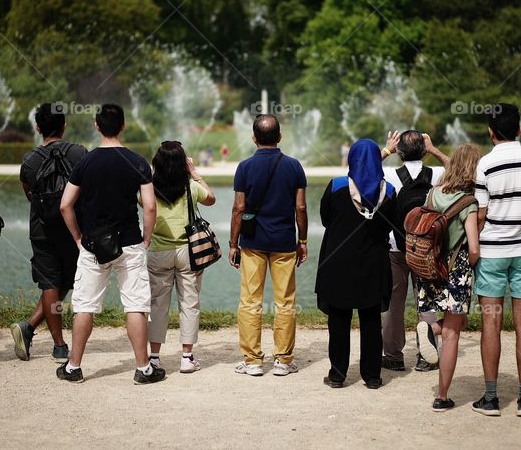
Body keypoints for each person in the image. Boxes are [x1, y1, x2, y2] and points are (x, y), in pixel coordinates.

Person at [57, 104, 164, 384]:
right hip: (129, 243)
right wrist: (147, 238)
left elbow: (65, 205)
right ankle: (143, 369)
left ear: (96, 125)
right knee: (135, 306)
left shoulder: (85, 162)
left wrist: (78, 238)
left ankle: (73, 367)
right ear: (123, 125)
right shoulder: (138, 161)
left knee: (85, 306)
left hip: (93, 245)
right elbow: (150, 207)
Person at [472, 103, 521, 417]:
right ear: (519, 129)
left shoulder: (485, 164)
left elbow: (480, 214)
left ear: (491, 132)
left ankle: (491, 398)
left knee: (491, 323)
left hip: (491, 252)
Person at [229, 114, 308, 377]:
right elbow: (301, 207)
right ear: (280, 137)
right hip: (285, 242)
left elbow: (239, 208)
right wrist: (303, 240)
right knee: (285, 302)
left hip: (252, 243)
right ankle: (283, 361)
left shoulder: (244, 167)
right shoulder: (294, 166)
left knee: (250, 301)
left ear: (253, 138)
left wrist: (233, 243)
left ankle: (252, 361)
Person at [316, 139, 397, 389]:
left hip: (338, 262)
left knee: (339, 319)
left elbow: (325, 218)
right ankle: (372, 375)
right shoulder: (390, 191)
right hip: (373, 264)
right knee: (371, 320)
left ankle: (338, 374)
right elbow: (392, 224)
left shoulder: (337, 186)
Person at [11, 103, 87, 362]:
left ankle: (42, 335)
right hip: (73, 228)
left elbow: (29, 194)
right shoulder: (79, 153)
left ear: (38, 127)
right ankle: (52, 341)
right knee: (65, 282)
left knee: (51, 283)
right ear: (64, 125)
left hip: (42, 229)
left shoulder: (29, 160)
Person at [418, 144, 481, 411]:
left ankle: (432, 327)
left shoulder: (432, 194)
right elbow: (474, 248)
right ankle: (442, 397)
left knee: (456, 325)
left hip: (430, 270)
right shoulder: (468, 203)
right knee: (453, 334)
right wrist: (469, 267)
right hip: (456, 272)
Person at [381, 130, 450, 372]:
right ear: (423, 150)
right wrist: (434, 150)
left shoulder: (390, 174)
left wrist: (387, 150)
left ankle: (393, 355)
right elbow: (461, 173)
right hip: (427, 247)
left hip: (396, 246)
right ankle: (426, 356)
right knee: (428, 301)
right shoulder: (437, 174)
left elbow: (361, 172)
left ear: (399, 152)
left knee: (394, 302)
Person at [147, 141, 216, 373]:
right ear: (182, 162)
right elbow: (211, 198)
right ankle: (187, 357)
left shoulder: (150, 187)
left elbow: (142, 204)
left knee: (157, 304)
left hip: (158, 251)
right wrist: (194, 173)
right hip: (189, 252)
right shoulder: (190, 186)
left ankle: (154, 357)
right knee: (189, 303)